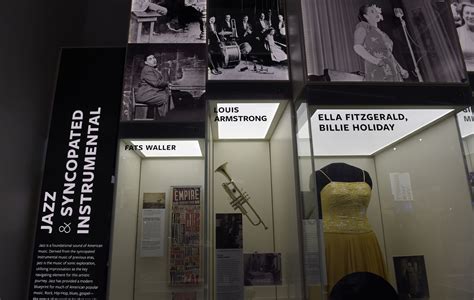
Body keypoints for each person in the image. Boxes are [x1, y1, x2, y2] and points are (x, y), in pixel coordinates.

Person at [353, 4, 409, 81]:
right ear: (366, 16)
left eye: (376, 11)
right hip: (378, 69)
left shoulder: (383, 33)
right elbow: (357, 47)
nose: (376, 13)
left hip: (393, 69)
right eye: (372, 12)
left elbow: (389, 54)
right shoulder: (363, 25)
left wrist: (401, 69)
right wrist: (375, 61)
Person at [456, 1, 474, 71]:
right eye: (467, 13)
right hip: (467, 74)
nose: (470, 16)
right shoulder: (458, 32)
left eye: (473, 14)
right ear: (462, 15)